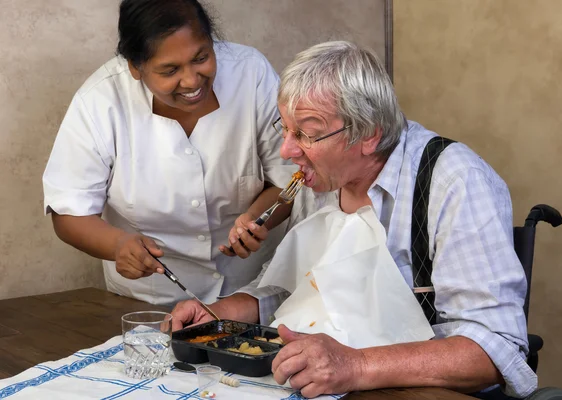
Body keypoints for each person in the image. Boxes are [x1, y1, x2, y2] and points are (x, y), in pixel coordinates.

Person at [170, 41, 535, 399]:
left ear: (368, 134)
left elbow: (494, 350)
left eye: (307, 133)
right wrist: (217, 315)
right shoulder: (319, 181)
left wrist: (355, 366)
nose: (287, 150)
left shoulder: (455, 181)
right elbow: (299, 291)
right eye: (285, 128)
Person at [42, 0, 295, 306]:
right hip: (150, 298)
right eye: (170, 70)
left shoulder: (251, 74)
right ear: (135, 67)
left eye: (201, 57)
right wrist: (119, 245)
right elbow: (70, 210)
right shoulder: (100, 100)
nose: (191, 81)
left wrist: (257, 219)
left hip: (246, 290)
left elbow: (291, 179)